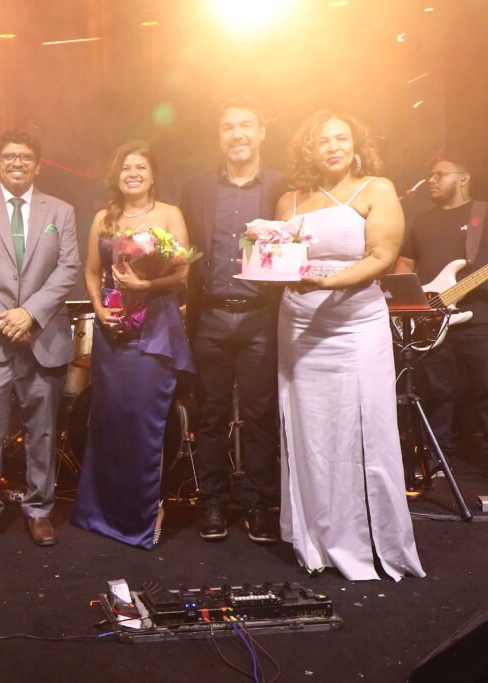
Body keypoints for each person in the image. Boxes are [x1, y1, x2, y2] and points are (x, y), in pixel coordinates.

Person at [275, 111, 424, 580]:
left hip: (356, 321)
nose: (333, 147)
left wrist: (327, 283)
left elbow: (382, 256)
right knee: (309, 430)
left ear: (356, 145)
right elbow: (278, 260)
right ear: (309, 150)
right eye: (323, 141)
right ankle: (316, 538)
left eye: (341, 139)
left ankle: (371, 541)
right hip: (299, 322)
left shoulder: (377, 188)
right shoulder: (289, 199)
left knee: (367, 426)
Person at [0, 129, 80, 552]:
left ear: (37, 165)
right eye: (9, 156)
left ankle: (39, 509)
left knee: (42, 431)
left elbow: (68, 268)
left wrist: (30, 314)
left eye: (25, 157)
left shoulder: (61, 211)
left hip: (43, 337)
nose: (17, 163)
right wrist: (5, 319)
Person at [70, 141, 194, 549]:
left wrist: (145, 284)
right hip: (113, 332)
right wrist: (97, 308)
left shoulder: (170, 214)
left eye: (140, 167)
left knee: (145, 423)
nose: (133, 174)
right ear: (117, 175)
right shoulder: (104, 218)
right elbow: (92, 271)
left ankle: (144, 513)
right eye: (126, 168)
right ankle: (100, 512)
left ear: (152, 174)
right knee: (109, 423)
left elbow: (182, 275)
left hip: (154, 331)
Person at [180, 97, 285, 544]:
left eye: (246, 125)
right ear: (219, 136)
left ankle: (260, 504)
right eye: (228, 127)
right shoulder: (197, 188)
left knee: (262, 416)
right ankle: (213, 502)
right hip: (211, 316)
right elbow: (187, 253)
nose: (237, 134)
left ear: (261, 132)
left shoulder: (284, 186)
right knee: (209, 415)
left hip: (263, 315)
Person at [394, 157, 488, 491]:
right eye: (430, 174)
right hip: (432, 319)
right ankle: (436, 460)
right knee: (436, 393)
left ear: (464, 178)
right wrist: (411, 302)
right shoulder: (423, 221)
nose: (431, 180)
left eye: (440, 174)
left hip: (480, 316)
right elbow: (404, 263)